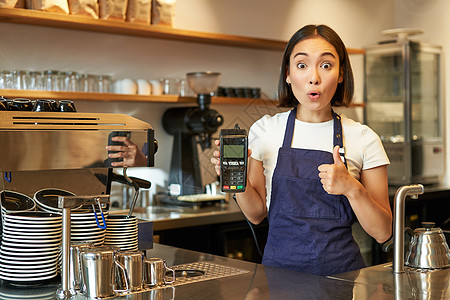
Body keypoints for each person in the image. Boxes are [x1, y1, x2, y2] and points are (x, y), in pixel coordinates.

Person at [211, 24, 392, 276]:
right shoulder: (264, 130)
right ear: (288, 74)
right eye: (302, 65)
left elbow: (383, 231)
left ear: (341, 74)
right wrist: (234, 179)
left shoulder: (363, 138)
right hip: (278, 277)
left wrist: (352, 188)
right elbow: (256, 214)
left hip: (341, 278)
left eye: (326, 65)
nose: (314, 77)